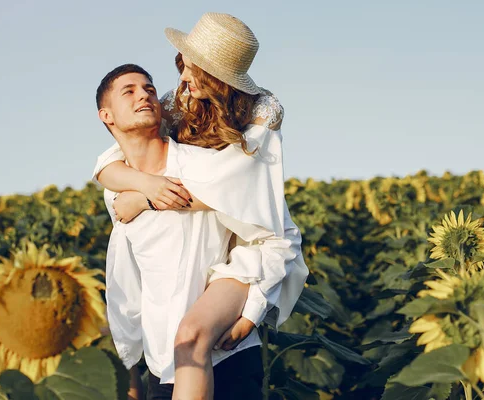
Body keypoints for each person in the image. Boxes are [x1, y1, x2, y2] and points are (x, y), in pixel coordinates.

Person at [94, 13, 307, 400]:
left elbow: (261, 216)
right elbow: (109, 164)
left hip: (228, 322)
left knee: (191, 338)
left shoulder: (257, 125)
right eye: (182, 65)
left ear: (217, 77)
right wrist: (144, 186)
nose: (180, 80)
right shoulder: (139, 163)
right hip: (164, 359)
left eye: (192, 69)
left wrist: (252, 312)